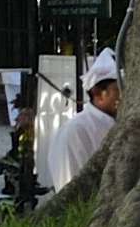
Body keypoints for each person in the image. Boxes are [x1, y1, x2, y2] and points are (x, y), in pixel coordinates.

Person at [38, 53, 120, 196]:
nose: (124, 96)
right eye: (118, 90)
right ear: (98, 94)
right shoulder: (76, 131)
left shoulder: (117, 124)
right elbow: (71, 186)